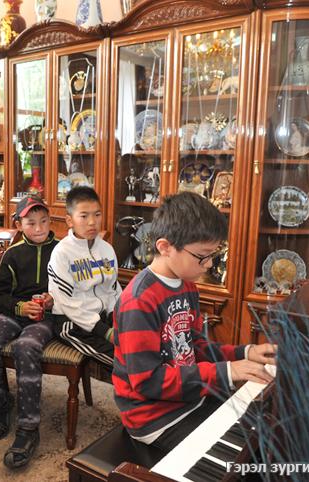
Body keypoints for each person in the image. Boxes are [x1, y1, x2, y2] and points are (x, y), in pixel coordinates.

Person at [113, 192, 276, 450]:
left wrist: (245, 352)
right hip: (155, 419)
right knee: (245, 452)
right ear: (165, 247)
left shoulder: (187, 286)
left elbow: (195, 346)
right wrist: (227, 371)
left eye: (213, 255)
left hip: (190, 397)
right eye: (202, 256)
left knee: (265, 427)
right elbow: (147, 381)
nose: (209, 264)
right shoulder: (139, 301)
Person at [0, 195, 59, 469]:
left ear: (50, 221)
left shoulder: (61, 251)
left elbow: (72, 290)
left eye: (43, 221)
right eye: (31, 223)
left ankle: (28, 428)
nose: (39, 228)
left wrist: (52, 300)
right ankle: (0, 402)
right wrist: (19, 307)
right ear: (19, 225)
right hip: (13, 313)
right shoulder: (12, 254)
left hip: (46, 317)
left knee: (25, 346)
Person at [48, 186, 121, 369]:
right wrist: (106, 332)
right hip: (72, 323)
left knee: (140, 349)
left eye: (97, 215)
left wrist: (116, 318)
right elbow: (67, 303)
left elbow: (113, 289)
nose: (92, 222)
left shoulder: (107, 249)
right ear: (69, 220)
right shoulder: (61, 253)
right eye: (84, 216)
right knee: (123, 362)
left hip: (102, 319)